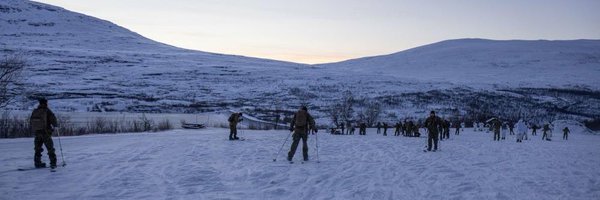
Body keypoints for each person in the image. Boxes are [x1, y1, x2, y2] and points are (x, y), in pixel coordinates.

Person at [30, 98, 58, 169]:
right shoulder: (47, 111)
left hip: (37, 133)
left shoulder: (35, 111)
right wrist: (55, 126)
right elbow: (54, 121)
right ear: (46, 103)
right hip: (46, 133)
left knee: (37, 149)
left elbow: (31, 122)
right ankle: (53, 163)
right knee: (50, 148)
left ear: (39, 103)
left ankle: (37, 163)